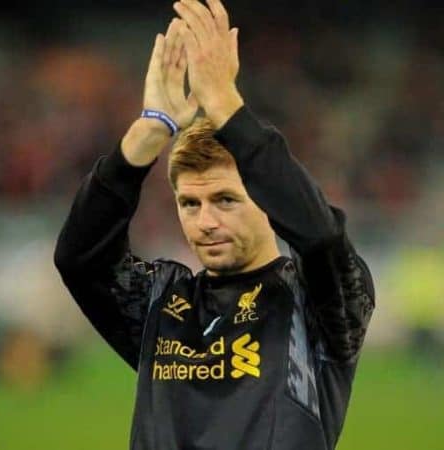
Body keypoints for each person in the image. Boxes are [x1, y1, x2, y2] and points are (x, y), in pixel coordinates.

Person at [54, 0, 375, 449]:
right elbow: (79, 258)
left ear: (267, 199)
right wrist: (147, 134)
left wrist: (226, 106)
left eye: (225, 199)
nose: (204, 221)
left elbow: (321, 236)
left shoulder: (315, 304)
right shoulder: (158, 303)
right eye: (189, 203)